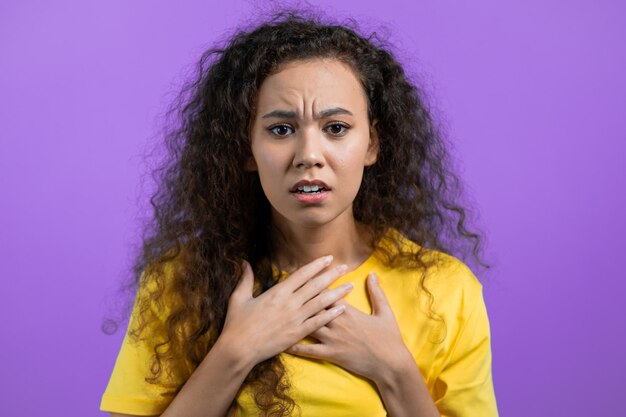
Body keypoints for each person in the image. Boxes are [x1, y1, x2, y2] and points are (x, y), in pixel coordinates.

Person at [100, 8, 499, 417]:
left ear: (372, 144)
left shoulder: (446, 290)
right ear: (246, 148)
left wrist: (394, 370)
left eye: (336, 128)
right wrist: (236, 351)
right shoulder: (180, 282)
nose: (309, 156)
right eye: (281, 130)